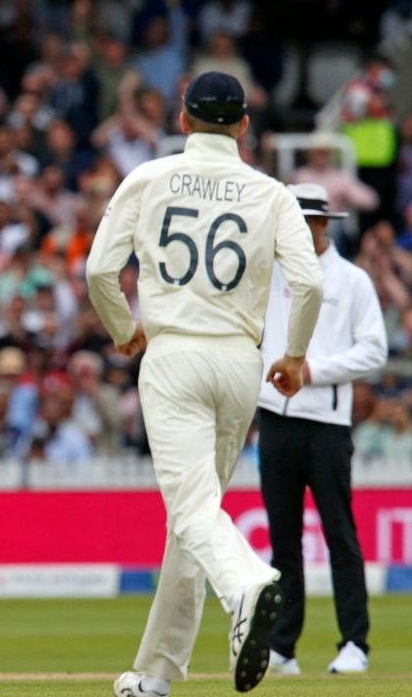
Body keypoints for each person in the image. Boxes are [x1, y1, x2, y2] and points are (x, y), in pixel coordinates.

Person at [84, 73, 324, 696]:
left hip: (173, 355)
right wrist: (294, 357)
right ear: (244, 126)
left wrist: (122, 330)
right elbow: (312, 283)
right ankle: (157, 674)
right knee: (191, 518)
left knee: (192, 511)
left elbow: (98, 270)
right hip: (240, 364)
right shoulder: (271, 192)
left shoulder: (148, 177)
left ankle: (246, 581)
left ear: (184, 120)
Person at [259, 184, 388, 676]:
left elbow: (373, 351)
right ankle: (284, 648)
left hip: (327, 425)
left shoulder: (352, 281)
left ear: (321, 225)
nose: (294, 233)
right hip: (276, 421)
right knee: (283, 541)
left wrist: (313, 371)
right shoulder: (268, 275)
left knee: (340, 535)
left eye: (304, 223)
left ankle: (354, 642)